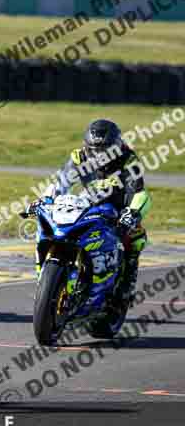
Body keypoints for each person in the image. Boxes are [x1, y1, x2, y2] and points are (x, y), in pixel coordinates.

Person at [28, 119, 151, 303]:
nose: (100, 155)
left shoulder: (128, 159)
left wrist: (131, 213)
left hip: (119, 209)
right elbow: (60, 184)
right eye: (95, 150)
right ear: (87, 147)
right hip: (89, 205)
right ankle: (61, 271)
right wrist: (46, 200)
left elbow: (139, 192)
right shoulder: (79, 157)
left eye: (105, 150)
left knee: (136, 236)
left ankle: (127, 283)